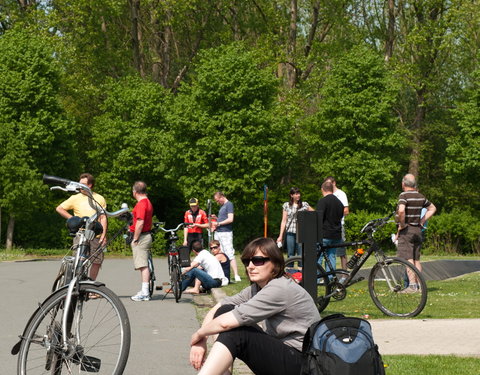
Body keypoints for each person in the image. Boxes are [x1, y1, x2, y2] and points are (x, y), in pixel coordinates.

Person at [189, 237, 320, 375]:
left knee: (237, 331)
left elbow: (225, 324)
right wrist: (202, 339)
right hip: (286, 355)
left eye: (258, 260)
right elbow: (220, 307)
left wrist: (197, 336)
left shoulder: (278, 288)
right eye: (247, 261)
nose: (250, 266)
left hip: (303, 365)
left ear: (275, 263)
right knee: (225, 311)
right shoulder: (258, 288)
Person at [56, 173, 107, 281]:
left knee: (97, 261)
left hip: (95, 233)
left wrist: (103, 234)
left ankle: (91, 285)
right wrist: (74, 220)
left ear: (90, 185)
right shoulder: (75, 198)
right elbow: (59, 208)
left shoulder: (99, 198)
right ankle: (77, 285)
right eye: (79, 184)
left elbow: (103, 217)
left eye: (83, 184)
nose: (80, 186)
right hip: (81, 233)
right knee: (79, 260)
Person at [394, 174, 436, 293]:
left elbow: (401, 210)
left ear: (403, 183)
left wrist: (402, 225)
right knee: (416, 259)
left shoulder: (404, 195)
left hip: (407, 230)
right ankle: (420, 285)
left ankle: (412, 286)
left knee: (408, 259)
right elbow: (433, 208)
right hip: (418, 230)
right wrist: (422, 220)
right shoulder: (420, 196)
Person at [129, 181, 154, 302]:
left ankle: (145, 292)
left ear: (135, 192)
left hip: (142, 236)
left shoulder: (141, 204)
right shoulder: (147, 202)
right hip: (146, 234)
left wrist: (135, 238)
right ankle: (145, 290)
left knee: (142, 265)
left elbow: (140, 222)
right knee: (143, 264)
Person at [315, 180, 344, 277]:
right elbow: (340, 216)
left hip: (324, 234)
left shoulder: (323, 201)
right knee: (331, 257)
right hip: (336, 235)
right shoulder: (339, 203)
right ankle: (331, 279)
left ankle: (317, 280)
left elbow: (318, 218)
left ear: (322, 189)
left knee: (318, 258)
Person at [276, 187, 313, 258]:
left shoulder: (305, 204)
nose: (298, 195)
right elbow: (283, 221)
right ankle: (290, 268)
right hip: (290, 233)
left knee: (301, 254)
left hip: (301, 233)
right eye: (296, 194)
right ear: (291, 195)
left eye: (299, 193)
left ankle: (301, 268)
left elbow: (314, 214)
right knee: (290, 253)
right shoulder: (286, 205)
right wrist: (280, 236)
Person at [212, 191, 241, 282]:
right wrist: (216, 218)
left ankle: (236, 275)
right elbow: (224, 218)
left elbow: (230, 219)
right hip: (219, 232)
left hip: (225, 233)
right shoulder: (222, 206)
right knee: (219, 253)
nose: (217, 202)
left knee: (229, 252)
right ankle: (223, 274)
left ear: (222, 197)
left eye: (217, 200)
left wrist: (218, 223)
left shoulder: (229, 204)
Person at [324, 177, 349, 269]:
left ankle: (345, 274)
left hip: (338, 225)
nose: (328, 186)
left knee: (341, 251)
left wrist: (334, 215)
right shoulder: (327, 194)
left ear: (334, 183)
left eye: (329, 183)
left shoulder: (341, 194)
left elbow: (346, 210)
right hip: (327, 227)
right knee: (329, 253)